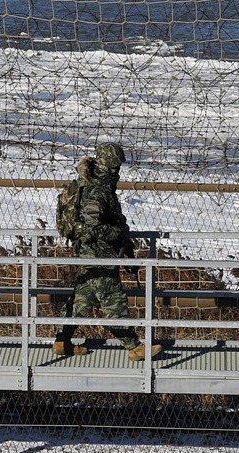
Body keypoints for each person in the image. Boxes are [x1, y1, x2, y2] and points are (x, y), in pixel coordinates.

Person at [53, 141, 159, 361]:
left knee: (84, 297)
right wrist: (116, 233)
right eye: (117, 165)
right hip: (98, 254)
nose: (119, 170)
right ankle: (134, 347)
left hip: (91, 254)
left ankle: (62, 341)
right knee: (113, 299)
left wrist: (123, 241)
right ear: (112, 166)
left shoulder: (93, 184)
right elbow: (92, 228)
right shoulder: (97, 190)